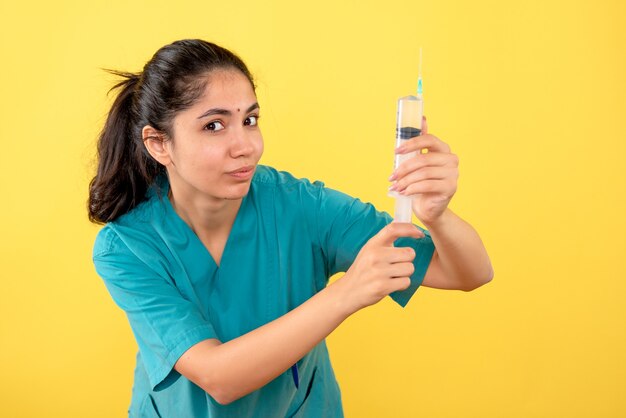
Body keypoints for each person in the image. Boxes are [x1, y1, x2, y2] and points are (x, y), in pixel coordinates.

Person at [89, 39, 493, 418]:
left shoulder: (301, 207)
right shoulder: (128, 247)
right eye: (214, 125)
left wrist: (438, 215)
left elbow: (469, 273)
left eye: (250, 119)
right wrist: (348, 293)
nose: (244, 144)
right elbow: (220, 378)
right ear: (159, 144)